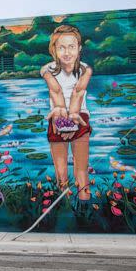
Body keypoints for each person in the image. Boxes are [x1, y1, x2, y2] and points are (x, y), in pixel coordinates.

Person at [40, 25, 92, 204]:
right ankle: (64, 205)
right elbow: (56, 91)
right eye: (61, 47)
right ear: (53, 50)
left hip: (80, 117)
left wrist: (73, 117)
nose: (67, 52)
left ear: (79, 48)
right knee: (61, 170)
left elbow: (78, 91)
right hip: (57, 116)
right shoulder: (47, 70)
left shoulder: (86, 70)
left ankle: (85, 204)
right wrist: (61, 112)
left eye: (71, 46)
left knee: (81, 169)